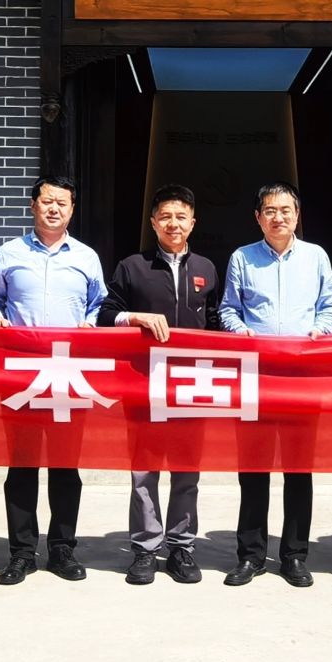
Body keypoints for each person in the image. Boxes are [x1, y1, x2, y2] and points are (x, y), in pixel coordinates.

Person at [218, 181, 332, 588]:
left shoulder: (316, 256)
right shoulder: (242, 258)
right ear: (258, 217)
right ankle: (251, 556)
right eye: (270, 211)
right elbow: (228, 310)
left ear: (297, 215)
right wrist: (241, 332)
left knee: (298, 470)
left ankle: (293, 555)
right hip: (255, 376)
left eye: (286, 210)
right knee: (253, 469)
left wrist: (320, 330)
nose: (278, 217)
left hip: (301, 378)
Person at [0, 175, 107, 585]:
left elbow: (99, 304)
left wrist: (90, 324)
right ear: (33, 205)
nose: (54, 208)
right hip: (21, 374)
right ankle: (21, 552)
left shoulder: (86, 257)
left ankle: (62, 549)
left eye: (62, 203)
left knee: (65, 466)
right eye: (47, 201)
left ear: (72, 210)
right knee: (22, 466)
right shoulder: (9, 253)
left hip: (68, 374)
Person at [97, 183, 219, 586]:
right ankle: (145, 548)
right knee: (144, 471)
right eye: (165, 216)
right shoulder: (132, 266)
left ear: (193, 222)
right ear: (153, 223)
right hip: (144, 382)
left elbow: (217, 324)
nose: (173, 224)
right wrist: (135, 318)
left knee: (187, 470)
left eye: (181, 216)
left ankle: (181, 546)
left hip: (193, 383)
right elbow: (105, 315)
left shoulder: (207, 269)